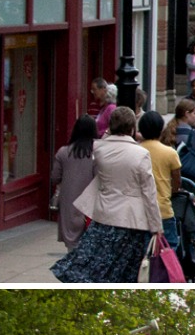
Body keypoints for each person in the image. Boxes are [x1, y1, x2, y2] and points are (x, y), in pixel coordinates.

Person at [52, 106, 162, 283]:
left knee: (97, 267)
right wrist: (156, 226)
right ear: (133, 128)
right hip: (132, 222)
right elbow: (149, 194)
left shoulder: (100, 149)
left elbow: (103, 139)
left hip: (104, 215)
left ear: (110, 127)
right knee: (126, 273)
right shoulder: (141, 155)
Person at [137, 110, 184, 253]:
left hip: (140, 211)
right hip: (163, 209)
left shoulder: (135, 151)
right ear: (161, 129)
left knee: (143, 250)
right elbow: (177, 181)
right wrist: (172, 191)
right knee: (169, 247)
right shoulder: (170, 153)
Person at [50, 115, 98, 251]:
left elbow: (55, 177)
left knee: (72, 245)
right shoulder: (97, 153)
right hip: (91, 205)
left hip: (69, 204)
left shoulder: (63, 153)